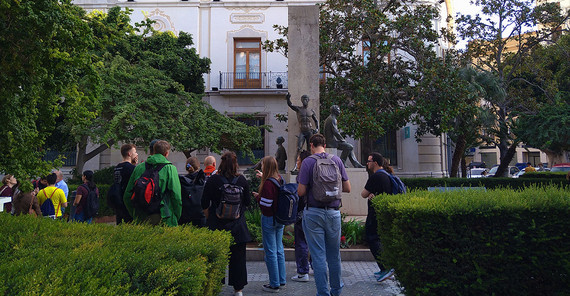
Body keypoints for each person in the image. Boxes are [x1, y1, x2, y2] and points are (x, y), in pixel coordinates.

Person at [297, 134, 351, 296]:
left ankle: (323, 293)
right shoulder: (337, 161)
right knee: (334, 256)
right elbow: (347, 188)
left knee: (318, 255)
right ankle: (336, 291)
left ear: (311, 145)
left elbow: (301, 192)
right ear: (325, 145)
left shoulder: (308, 162)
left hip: (313, 213)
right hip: (334, 213)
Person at [202, 151, 251, 296]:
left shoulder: (213, 180)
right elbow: (247, 202)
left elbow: (204, 202)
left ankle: (216, 286)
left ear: (221, 163)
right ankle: (238, 289)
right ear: (236, 164)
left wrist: (210, 216)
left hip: (217, 225)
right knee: (238, 259)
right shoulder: (242, 180)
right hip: (238, 226)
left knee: (217, 257)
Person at [123, 140, 182, 226]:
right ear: (166, 153)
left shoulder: (139, 167)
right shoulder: (170, 168)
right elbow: (176, 196)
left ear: (153, 151)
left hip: (141, 217)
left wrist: (135, 214)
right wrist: (175, 216)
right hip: (164, 217)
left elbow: (127, 195)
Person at [360, 152, 396, 282]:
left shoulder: (376, 177)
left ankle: (385, 267)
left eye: (369, 161)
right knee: (379, 239)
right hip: (383, 212)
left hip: (374, 214)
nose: (367, 163)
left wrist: (371, 194)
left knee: (372, 239)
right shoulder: (387, 175)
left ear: (375, 163)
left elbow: (363, 194)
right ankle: (383, 269)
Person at [253, 156, 286, 292]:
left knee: (270, 251)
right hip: (280, 219)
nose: (261, 167)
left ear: (265, 167)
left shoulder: (267, 184)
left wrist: (257, 197)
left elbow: (266, 205)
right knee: (279, 249)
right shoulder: (279, 178)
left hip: (269, 219)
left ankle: (274, 283)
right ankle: (281, 279)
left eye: (262, 165)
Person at [291, 150, 313, 282]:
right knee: (313, 242)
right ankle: (316, 267)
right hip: (313, 210)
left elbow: (300, 194)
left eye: (298, 160)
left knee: (301, 242)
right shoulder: (314, 172)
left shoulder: (301, 176)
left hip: (302, 213)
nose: (297, 162)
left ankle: (303, 272)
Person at [287, 92, 319, 170]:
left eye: (306, 99)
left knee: (310, 148)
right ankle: (295, 166)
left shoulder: (311, 111)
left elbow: (316, 120)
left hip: (309, 131)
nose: (305, 101)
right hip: (302, 131)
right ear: (301, 101)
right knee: (298, 148)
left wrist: (317, 128)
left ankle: (311, 166)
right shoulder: (298, 109)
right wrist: (288, 98)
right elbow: (290, 105)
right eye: (303, 99)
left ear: (308, 100)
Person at [112, 143, 138, 224]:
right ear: (129, 154)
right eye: (135, 152)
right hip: (128, 202)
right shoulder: (132, 168)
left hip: (118, 200)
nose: (137, 154)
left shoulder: (117, 167)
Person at [179, 157, 206, 227]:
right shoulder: (203, 181)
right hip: (200, 215)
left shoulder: (182, 181)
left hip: (185, 215)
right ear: (198, 166)